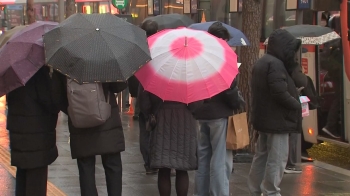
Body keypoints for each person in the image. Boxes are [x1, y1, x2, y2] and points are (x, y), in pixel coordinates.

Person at [52, 71, 127, 196]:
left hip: (79, 122)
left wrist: (74, 111)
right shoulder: (103, 55)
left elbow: (57, 96)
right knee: (113, 165)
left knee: (86, 168)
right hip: (107, 119)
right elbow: (118, 87)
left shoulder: (64, 60)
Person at [248, 29, 302, 196]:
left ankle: (254, 190)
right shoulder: (276, 65)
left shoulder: (262, 62)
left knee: (261, 157)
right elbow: (279, 93)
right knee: (276, 160)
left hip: (264, 119)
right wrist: (297, 104)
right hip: (277, 121)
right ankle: (271, 192)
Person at [193, 22, 244, 196]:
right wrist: (237, 102)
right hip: (219, 114)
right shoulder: (224, 56)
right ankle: (219, 193)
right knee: (220, 161)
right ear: (222, 39)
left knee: (204, 158)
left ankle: (200, 192)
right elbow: (229, 89)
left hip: (200, 113)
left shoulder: (198, 54)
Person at [139, 88, 203, 196]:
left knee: (164, 168)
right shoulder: (189, 73)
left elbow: (144, 100)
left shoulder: (154, 71)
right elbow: (197, 104)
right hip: (185, 121)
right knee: (182, 168)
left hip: (161, 120)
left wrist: (151, 113)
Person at [7, 66, 59, 196]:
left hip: (19, 134)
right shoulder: (39, 72)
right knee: (36, 183)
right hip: (37, 136)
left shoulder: (13, 73)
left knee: (22, 179)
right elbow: (49, 101)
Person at [137, 19, 159, 175]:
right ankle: (156, 160)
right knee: (156, 131)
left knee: (145, 130)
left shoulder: (139, 49)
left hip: (143, 93)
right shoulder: (160, 48)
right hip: (158, 95)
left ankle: (148, 162)